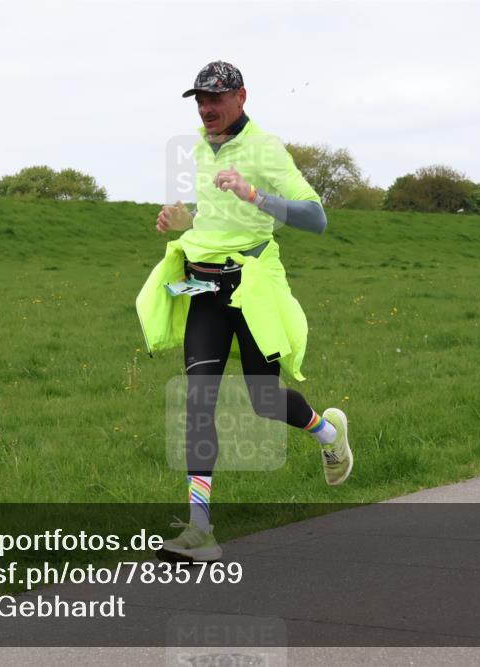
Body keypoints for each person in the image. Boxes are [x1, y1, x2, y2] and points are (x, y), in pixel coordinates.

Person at [136, 61, 353, 563]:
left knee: (262, 398)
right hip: (203, 288)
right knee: (199, 399)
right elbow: (210, 214)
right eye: (200, 100)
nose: (207, 109)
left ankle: (328, 432)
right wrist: (179, 217)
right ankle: (199, 530)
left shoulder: (266, 149)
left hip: (250, 289)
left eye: (216, 99)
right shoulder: (197, 147)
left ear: (241, 97)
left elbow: (315, 217)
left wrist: (255, 194)